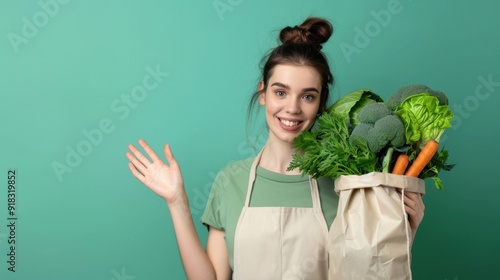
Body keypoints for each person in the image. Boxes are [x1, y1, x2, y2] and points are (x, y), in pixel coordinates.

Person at [125, 17, 425, 279]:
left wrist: (405, 231)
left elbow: (369, 275)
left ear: (321, 103)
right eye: (281, 92)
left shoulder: (345, 185)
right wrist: (177, 202)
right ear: (263, 94)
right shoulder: (231, 182)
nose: (292, 108)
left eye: (307, 96)